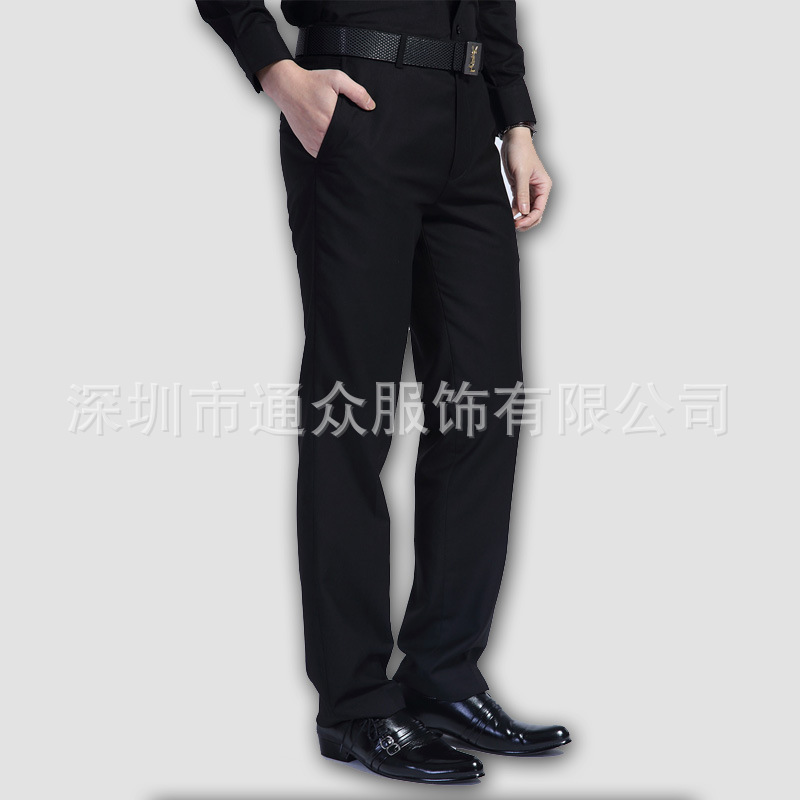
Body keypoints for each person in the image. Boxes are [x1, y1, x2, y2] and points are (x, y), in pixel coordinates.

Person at [195, 0, 570, 783]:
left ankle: (442, 675)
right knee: (352, 416)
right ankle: (356, 704)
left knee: (483, 405)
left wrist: (516, 123)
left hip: (469, 127)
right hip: (358, 105)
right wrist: (277, 72)